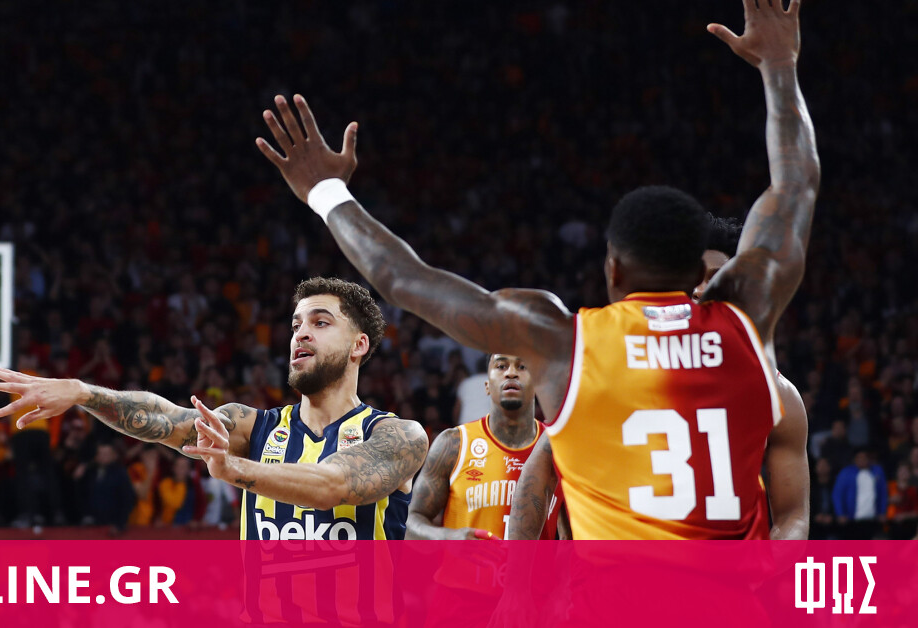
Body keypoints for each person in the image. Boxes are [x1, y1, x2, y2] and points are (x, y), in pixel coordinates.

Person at [256, 0, 816, 540]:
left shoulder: (563, 343)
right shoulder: (746, 318)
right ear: (699, 270)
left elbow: (403, 277)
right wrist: (780, 65)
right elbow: (795, 186)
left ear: (613, 270)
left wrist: (325, 191)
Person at [0, 277, 428, 540]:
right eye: (296, 325)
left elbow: (334, 485)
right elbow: (164, 419)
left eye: (320, 322)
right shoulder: (254, 427)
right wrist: (83, 392)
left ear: (358, 345)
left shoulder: (398, 436)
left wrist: (232, 469)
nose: (301, 334)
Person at [508, 212, 812, 539]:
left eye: (716, 279)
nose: (700, 290)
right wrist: (519, 572)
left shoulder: (776, 393)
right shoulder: (612, 372)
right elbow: (540, 472)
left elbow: (793, 516)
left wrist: (768, 567)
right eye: (691, 279)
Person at [408, 353, 564, 540]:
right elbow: (411, 521)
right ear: (487, 385)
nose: (511, 373)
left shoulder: (558, 446)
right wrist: (448, 538)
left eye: (522, 366)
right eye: (501, 366)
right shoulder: (454, 443)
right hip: (465, 561)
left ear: (537, 384)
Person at [833, 449, 887, 539]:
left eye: (864, 457)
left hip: (872, 518)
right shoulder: (846, 473)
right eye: (859, 458)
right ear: (854, 459)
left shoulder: (877, 471)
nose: (862, 460)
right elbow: (838, 495)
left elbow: (883, 493)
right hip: (851, 519)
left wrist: (882, 511)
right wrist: (840, 513)